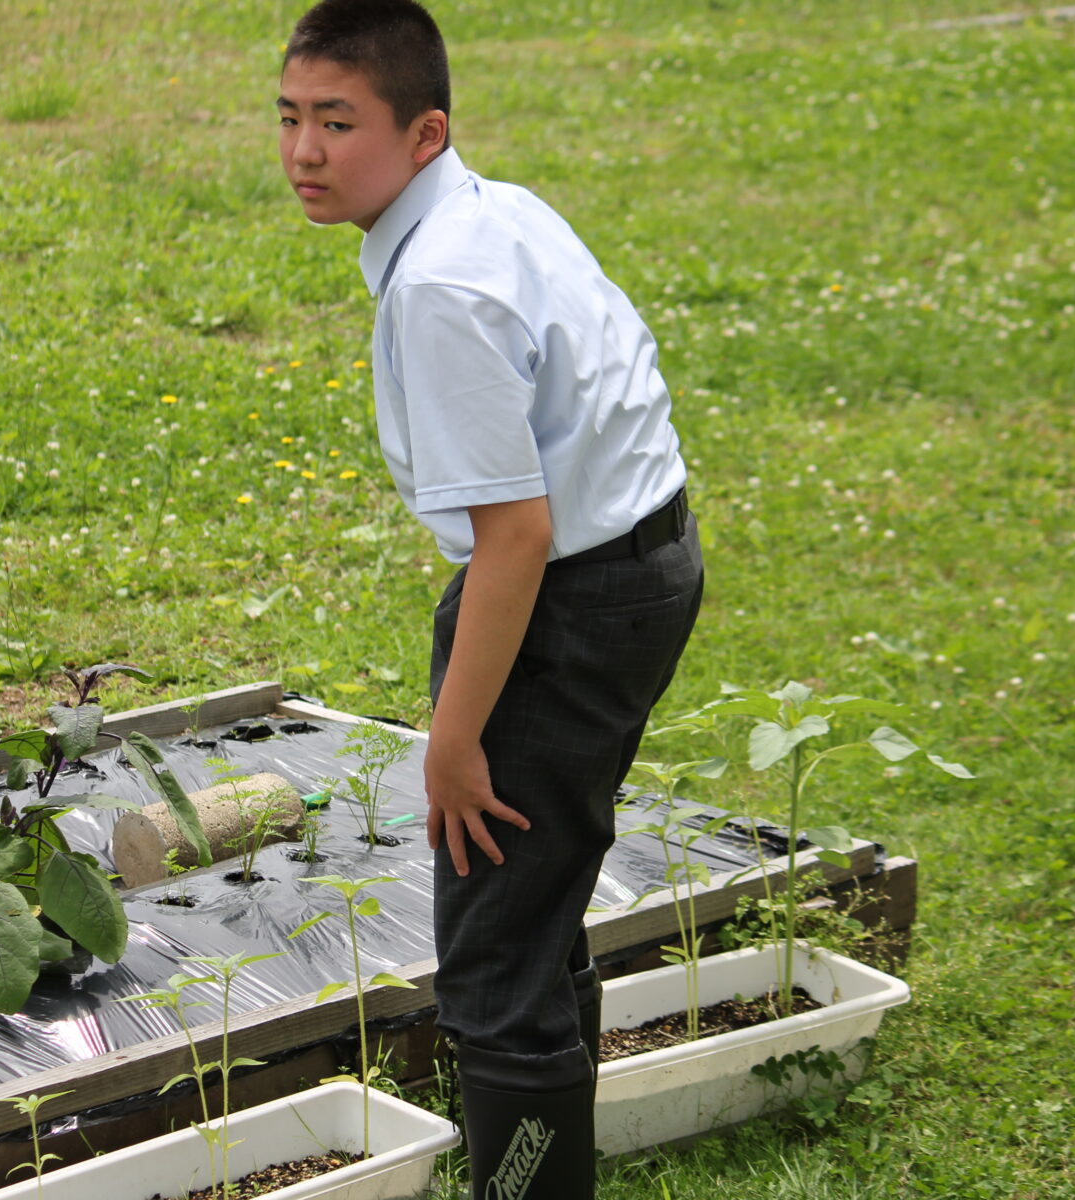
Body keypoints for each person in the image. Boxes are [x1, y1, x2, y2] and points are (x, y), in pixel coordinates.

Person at [277, 3, 704, 1195]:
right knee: (535, 887)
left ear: (423, 135)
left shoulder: (441, 289)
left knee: (494, 951)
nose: (307, 152)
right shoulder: (494, 209)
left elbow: (516, 538)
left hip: (570, 599)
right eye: (292, 118)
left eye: (339, 122)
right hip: (630, 567)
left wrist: (453, 741)